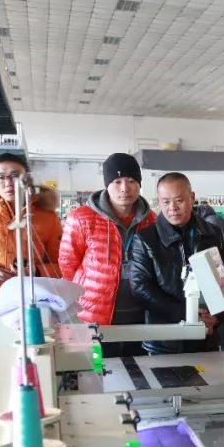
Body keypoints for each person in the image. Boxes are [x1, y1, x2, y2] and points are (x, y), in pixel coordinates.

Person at [0, 153, 63, 362]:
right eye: (1, 177)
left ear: (27, 178)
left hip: (34, 309)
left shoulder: (48, 218)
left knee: (37, 368)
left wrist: (35, 271)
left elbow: (61, 264)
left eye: (15, 175)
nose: (8, 182)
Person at [60, 153, 157, 357]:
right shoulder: (81, 219)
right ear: (107, 185)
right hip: (94, 317)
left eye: (132, 181)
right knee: (97, 368)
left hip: (140, 315)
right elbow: (68, 265)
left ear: (139, 184)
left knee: (137, 368)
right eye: (117, 181)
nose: (125, 188)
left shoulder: (151, 220)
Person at [130, 172, 224, 355]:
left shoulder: (211, 234)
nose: (172, 208)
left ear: (192, 198)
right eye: (166, 202)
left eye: (179, 200)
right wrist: (185, 313)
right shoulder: (146, 239)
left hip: (206, 336)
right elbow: (140, 288)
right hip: (165, 340)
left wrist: (215, 315)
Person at [196, 203, 224, 351]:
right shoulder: (213, 220)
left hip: (220, 286)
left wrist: (220, 276)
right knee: (223, 334)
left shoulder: (211, 224)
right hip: (220, 284)